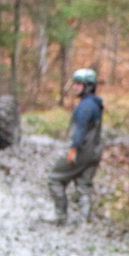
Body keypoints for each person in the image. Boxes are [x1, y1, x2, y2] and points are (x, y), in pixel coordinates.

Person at [48, 68, 104, 225]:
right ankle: (83, 222)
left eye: (79, 84)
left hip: (81, 152)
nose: (75, 87)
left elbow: (79, 130)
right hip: (94, 153)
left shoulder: (85, 107)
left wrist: (73, 149)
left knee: (55, 179)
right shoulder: (96, 105)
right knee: (84, 185)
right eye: (75, 84)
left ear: (88, 86)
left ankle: (61, 216)